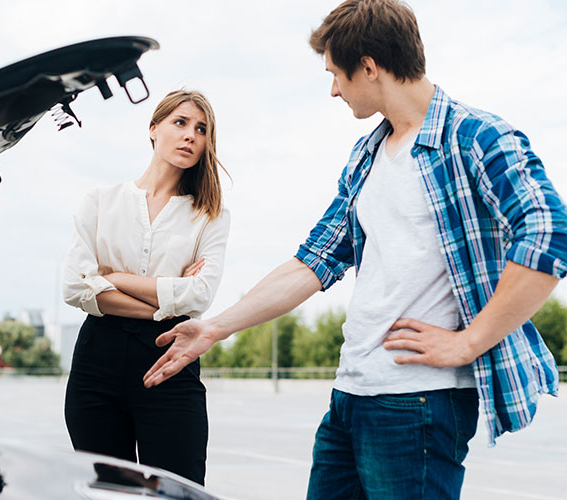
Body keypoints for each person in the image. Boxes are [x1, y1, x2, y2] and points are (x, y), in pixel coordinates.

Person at [143, 1, 567, 498]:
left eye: (336, 74)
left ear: (368, 66)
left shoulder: (475, 137)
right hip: (351, 393)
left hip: (420, 403)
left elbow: (548, 233)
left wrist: (470, 342)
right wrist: (214, 328)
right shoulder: (367, 155)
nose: (333, 89)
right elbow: (312, 261)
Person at [61, 89, 230, 485]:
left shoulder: (209, 214)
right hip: (96, 365)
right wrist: (167, 300)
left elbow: (200, 295)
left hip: (170, 360)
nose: (191, 135)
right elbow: (74, 287)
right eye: (180, 122)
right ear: (154, 130)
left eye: (201, 129)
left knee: (178, 490)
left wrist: (114, 278)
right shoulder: (100, 201)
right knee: (107, 493)